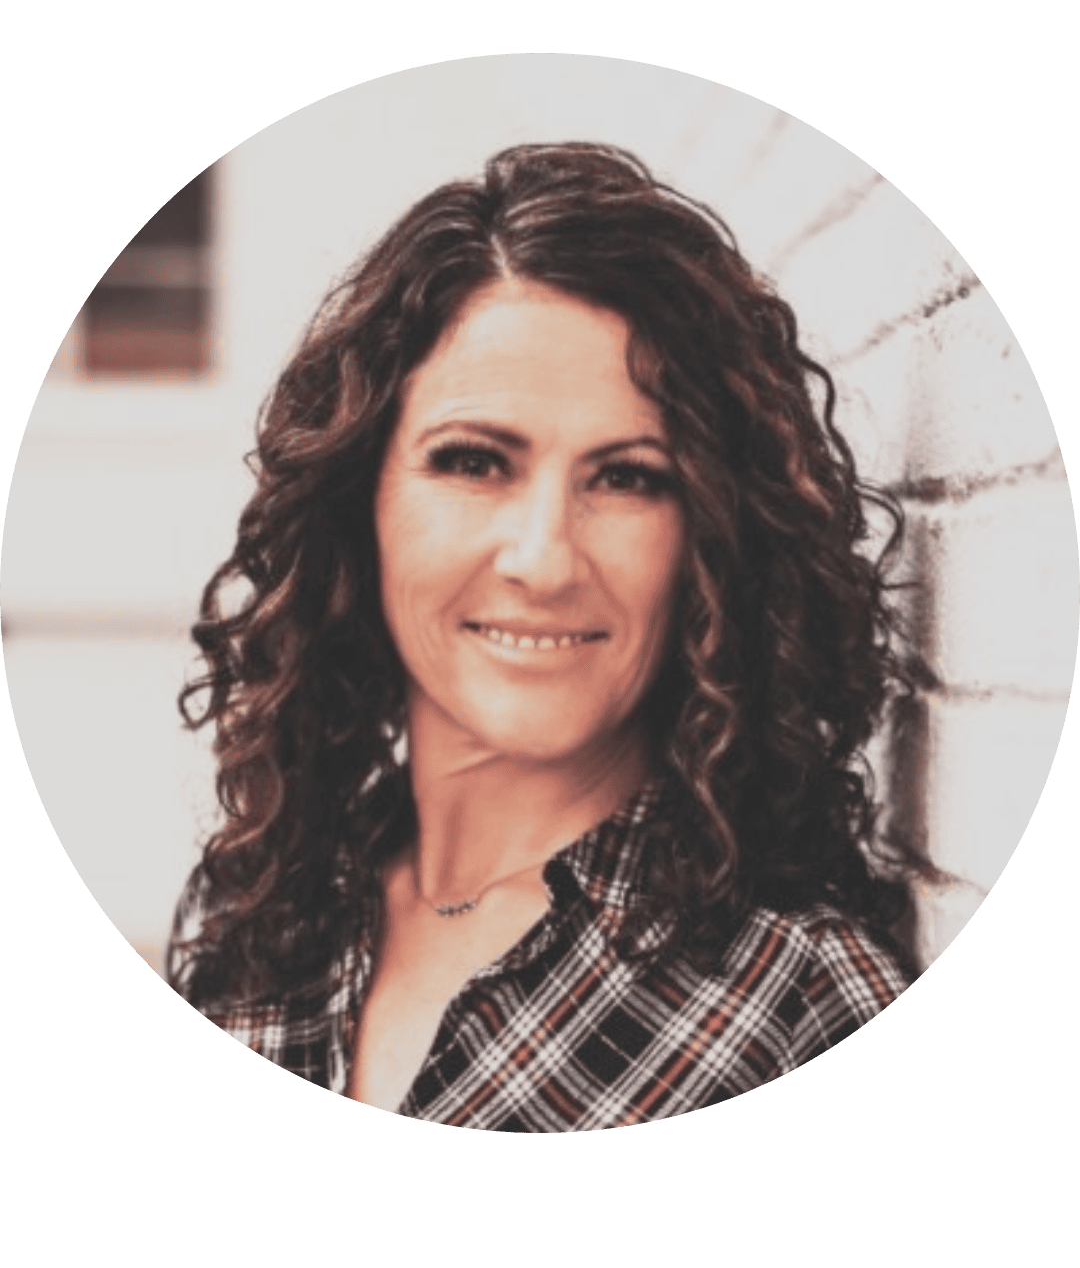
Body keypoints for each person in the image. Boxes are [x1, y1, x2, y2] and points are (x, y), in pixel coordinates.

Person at [168, 141, 934, 1128]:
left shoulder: (797, 1006)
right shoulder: (266, 910)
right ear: (361, 501)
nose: (543, 559)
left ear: (711, 541)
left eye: (628, 478)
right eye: (475, 462)